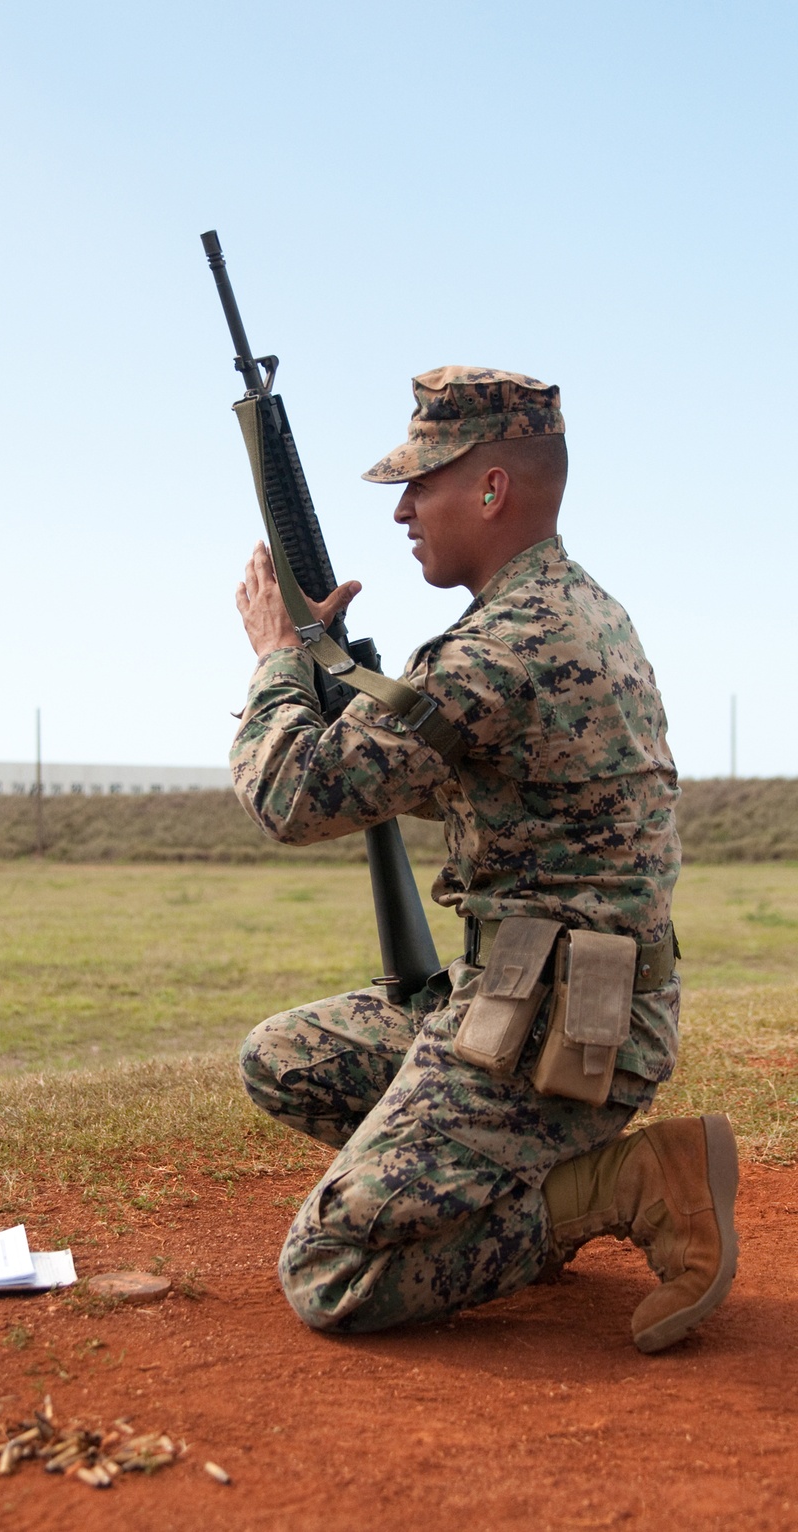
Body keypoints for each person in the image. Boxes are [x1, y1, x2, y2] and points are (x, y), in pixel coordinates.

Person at [230, 366, 738, 1353]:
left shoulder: (499, 649)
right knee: (283, 1059)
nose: (404, 510)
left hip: (552, 1036)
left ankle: (613, 1186)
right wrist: (341, 679)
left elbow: (291, 797)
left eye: (421, 483)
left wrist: (277, 657)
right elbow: (444, 781)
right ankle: (510, 1192)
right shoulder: (574, 612)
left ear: (493, 489)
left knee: (329, 1270)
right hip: (546, 1001)